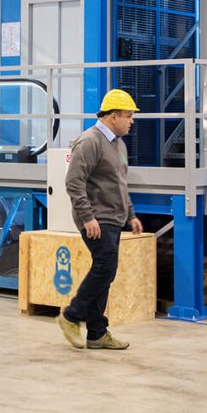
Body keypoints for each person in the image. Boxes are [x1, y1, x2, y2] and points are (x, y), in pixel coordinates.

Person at [56, 89, 143, 350]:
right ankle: (71, 316)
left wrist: (131, 215)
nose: (132, 121)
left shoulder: (118, 143)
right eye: (128, 116)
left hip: (114, 218)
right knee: (105, 267)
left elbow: (120, 182)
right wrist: (87, 217)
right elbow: (74, 182)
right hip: (96, 218)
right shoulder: (90, 141)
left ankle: (96, 333)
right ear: (113, 116)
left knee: (107, 272)